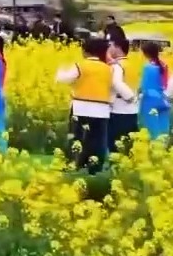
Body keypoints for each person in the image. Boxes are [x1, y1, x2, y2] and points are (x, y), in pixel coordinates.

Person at [55, 38, 134, 174]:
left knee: (78, 138)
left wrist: (60, 72)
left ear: (85, 52)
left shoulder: (81, 65)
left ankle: (75, 164)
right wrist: (129, 97)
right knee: (98, 141)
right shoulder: (109, 69)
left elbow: (65, 78)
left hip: (80, 108)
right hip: (101, 110)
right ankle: (95, 168)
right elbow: (115, 86)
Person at [108, 40, 140, 154]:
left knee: (116, 144)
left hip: (119, 109)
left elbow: (116, 83)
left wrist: (129, 96)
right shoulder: (132, 65)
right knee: (129, 144)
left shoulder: (117, 66)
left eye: (111, 46)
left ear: (118, 48)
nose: (109, 49)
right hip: (133, 110)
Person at [139, 42, 171, 141]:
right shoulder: (163, 65)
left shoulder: (148, 67)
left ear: (146, 53)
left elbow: (144, 86)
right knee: (163, 129)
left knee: (151, 129)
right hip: (163, 99)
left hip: (150, 99)